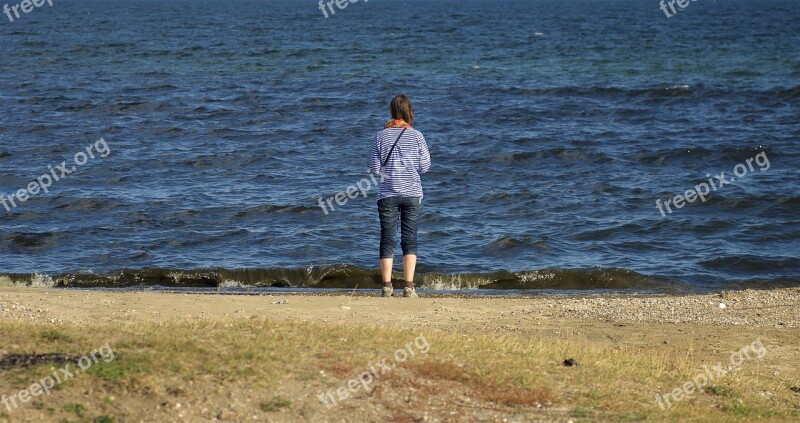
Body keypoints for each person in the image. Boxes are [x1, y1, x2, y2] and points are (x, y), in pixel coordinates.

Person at [369, 95, 431, 298]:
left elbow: (375, 168)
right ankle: (409, 287)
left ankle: (387, 286)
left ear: (391, 111)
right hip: (412, 193)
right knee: (410, 239)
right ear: (408, 111)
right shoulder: (418, 136)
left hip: (387, 193)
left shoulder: (380, 136)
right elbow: (425, 166)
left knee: (387, 239)